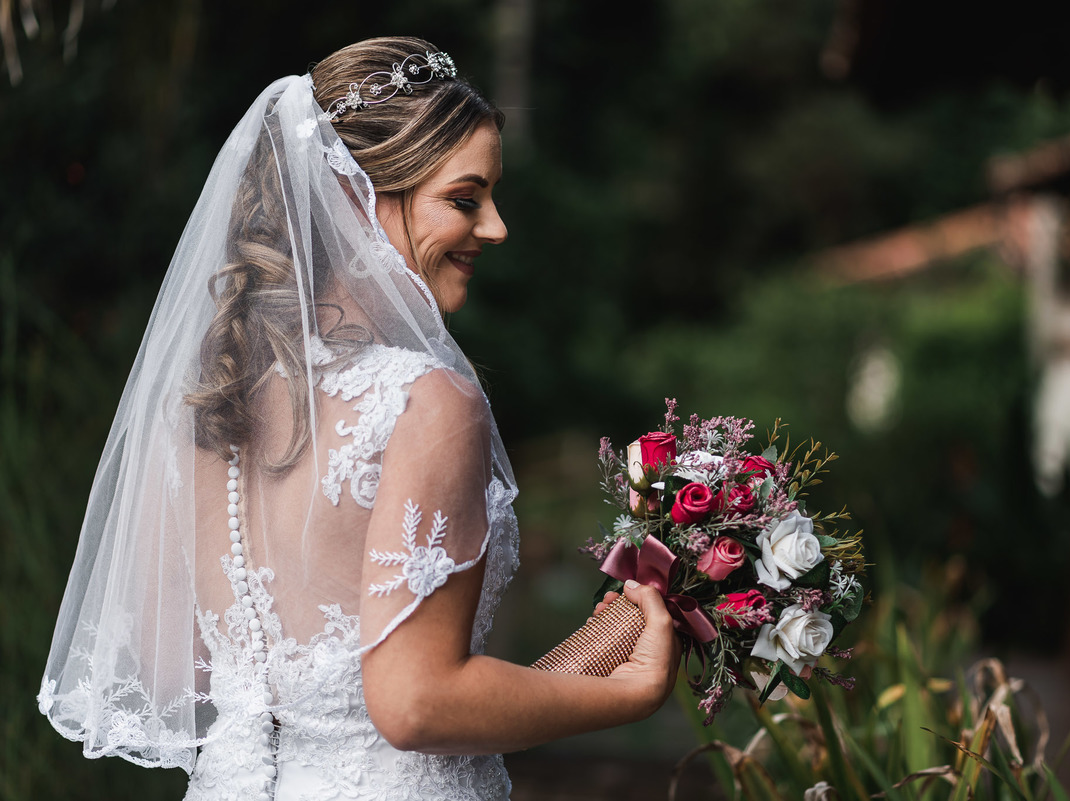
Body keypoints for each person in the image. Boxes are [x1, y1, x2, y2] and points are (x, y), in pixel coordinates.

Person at [38, 36, 680, 801]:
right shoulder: (425, 400)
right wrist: (629, 694)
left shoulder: (212, 397)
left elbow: (169, 665)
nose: (497, 227)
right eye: (465, 198)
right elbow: (414, 703)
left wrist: (595, 649)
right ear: (353, 198)